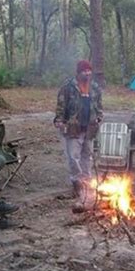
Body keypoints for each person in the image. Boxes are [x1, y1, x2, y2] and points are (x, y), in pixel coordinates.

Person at [54, 60, 103, 206]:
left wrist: (99, 116)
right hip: (73, 127)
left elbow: (99, 104)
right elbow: (61, 105)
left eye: (89, 71)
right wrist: (59, 120)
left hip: (90, 127)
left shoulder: (94, 87)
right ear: (78, 72)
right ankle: (77, 183)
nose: (87, 73)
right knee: (73, 157)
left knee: (86, 156)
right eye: (84, 71)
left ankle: (87, 183)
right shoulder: (68, 87)